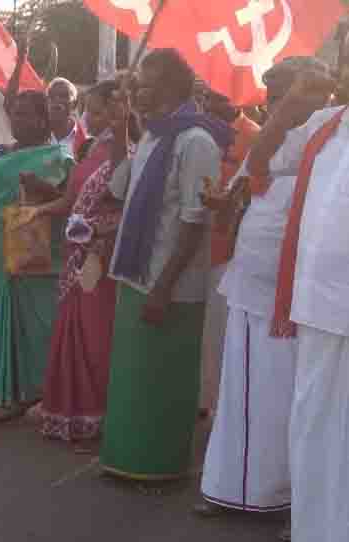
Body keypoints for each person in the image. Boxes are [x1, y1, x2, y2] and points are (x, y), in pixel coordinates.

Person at [196, 57, 331, 536]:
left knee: (289, 395)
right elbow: (244, 188)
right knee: (243, 391)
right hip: (254, 284)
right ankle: (233, 486)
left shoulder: (324, 130)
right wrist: (225, 203)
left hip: (301, 292)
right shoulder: (282, 134)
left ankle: (277, 494)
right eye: (271, 95)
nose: (274, 105)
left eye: (284, 93)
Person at [99, 49, 231, 479]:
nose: (136, 89)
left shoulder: (197, 142)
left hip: (169, 288)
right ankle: (128, 461)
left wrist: (163, 288)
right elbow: (119, 188)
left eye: (144, 82)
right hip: (134, 275)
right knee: (134, 381)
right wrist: (120, 128)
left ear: (172, 86)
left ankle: (160, 468)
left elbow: (196, 221)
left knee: (163, 384)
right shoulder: (154, 134)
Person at [244, 62, 347, 542]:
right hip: (313, 306)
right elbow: (260, 161)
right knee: (314, 432)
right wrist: (288, 105)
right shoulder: (324, 125)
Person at [0, 90, 75, 408]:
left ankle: (48, 392)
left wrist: (42, 189)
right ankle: (9, 391)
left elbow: (74, 204)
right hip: (1, 244)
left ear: (43, 119)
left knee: (42, 320)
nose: (16, 119)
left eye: (25, 114)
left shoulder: (61, 158)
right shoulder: (0, 154)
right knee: (5, 314)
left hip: (40, 247)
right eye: (14, 113)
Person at [36, 80, 125, 444]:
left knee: (96, 337)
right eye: (90, 109)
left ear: (119, 112)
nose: (93, 115)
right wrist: (38, 211)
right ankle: (68, 414)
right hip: (75, 257)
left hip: (101, 259)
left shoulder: (127, 156)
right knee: (72, 332)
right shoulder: (88, 150)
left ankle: (98, 416)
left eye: (101, 109)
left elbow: (126, 210)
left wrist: (94, 230)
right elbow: (69, 201)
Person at [199, 89, 261, 414]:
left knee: (216, 336)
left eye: (218, 98)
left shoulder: (253, 137)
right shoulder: (198, 133)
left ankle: (213, 406)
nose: (210, 104)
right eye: (207, 98)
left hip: (227, 252)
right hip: (195, 245)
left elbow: (251, 196)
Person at [47, 77, 87, 157]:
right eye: (51, 96)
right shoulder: (36, 135)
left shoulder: (86, 142)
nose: (57, 100)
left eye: (63, 96)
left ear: (74, 104)